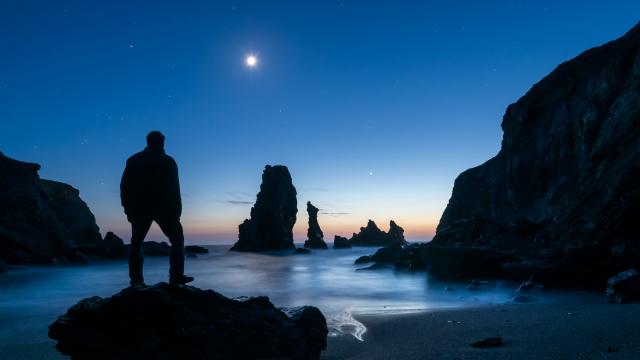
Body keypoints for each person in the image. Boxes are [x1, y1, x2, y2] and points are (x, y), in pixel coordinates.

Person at [120, 131, 193, 286]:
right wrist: (177, 212)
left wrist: (128, 209)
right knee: (177, 239)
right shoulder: (168, 161)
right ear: (162, 143)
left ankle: (136, 281)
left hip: (140, 209)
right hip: (164, 209)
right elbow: (175, 189)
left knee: (136, 244)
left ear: (148, 142)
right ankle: (176, 276)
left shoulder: (134, 160)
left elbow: (124, 187)